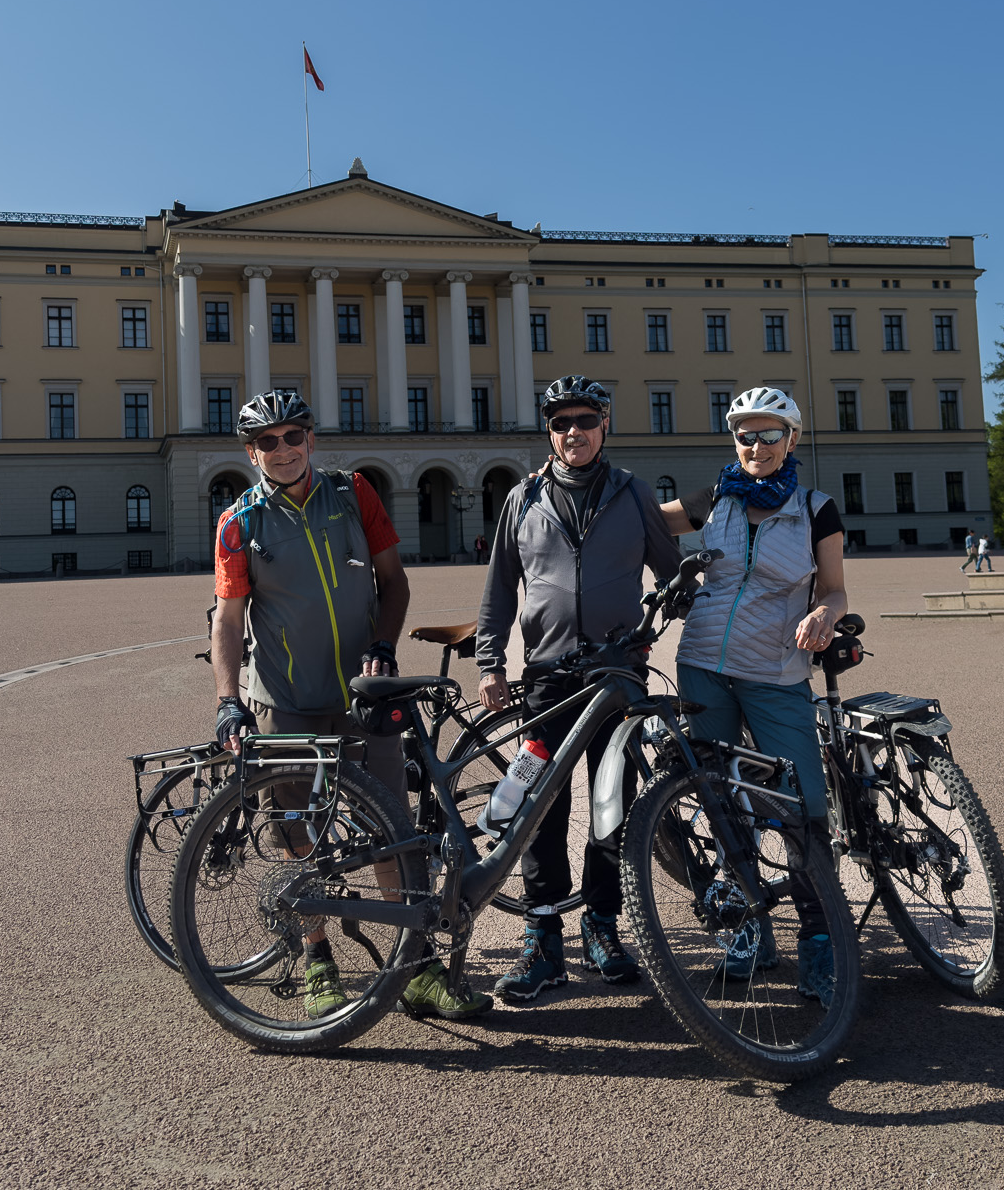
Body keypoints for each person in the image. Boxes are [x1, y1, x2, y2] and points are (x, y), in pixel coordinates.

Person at [210, 390, 488, 1022]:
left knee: (392, 831)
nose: (281, 450)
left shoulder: (354, 494)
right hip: (288, 701)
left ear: (311, 439)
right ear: (251, 451)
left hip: (364, 697)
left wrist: (386, 643)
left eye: (292, 437)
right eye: (266, 442)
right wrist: (230, 702)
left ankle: (413, 969)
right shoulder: (239, 523)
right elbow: (227, 623)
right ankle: (318, 961)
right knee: (300, 837)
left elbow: (394, 581)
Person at [476, 374, 680, 1001]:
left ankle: (602, 925)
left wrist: (663, 617)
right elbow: (499, 588)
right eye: (562, 423)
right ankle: (543, 940)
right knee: (539, 810)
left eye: (585, 421)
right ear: (550, 431)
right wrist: (491, 663)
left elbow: (672, 575)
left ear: (604, 425)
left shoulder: (633, 493)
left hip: (618, 676)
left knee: (610, 806)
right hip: (547, 677)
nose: (574, 433)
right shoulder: (522, 498)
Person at [656, 387, 851, 1002]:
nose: (757, 447)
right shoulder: (716, 499)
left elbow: (837, 590)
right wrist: (563, 478)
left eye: (770, 435)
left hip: (775, 672)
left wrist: (825, 614)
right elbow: (640, 516)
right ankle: (747, 928)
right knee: (719, 802)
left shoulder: (816, 509)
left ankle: (819, 944)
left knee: (801, 806)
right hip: (703, 667)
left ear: (791, 440)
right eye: (746, 435)